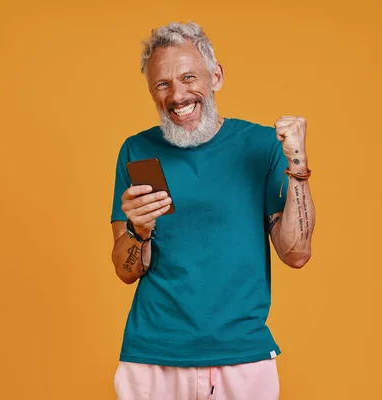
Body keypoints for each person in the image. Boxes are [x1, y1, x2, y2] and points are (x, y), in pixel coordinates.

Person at [110, 21, 315, 400]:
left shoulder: (260, 145)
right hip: (153, 355)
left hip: (242, 355)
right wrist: (138, 231)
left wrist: (298, 165)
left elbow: (296, 253)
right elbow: (126, 270)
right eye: (162, 84)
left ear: (216, 76)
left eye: (189, 77)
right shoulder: (137, 151)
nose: (177, 95)